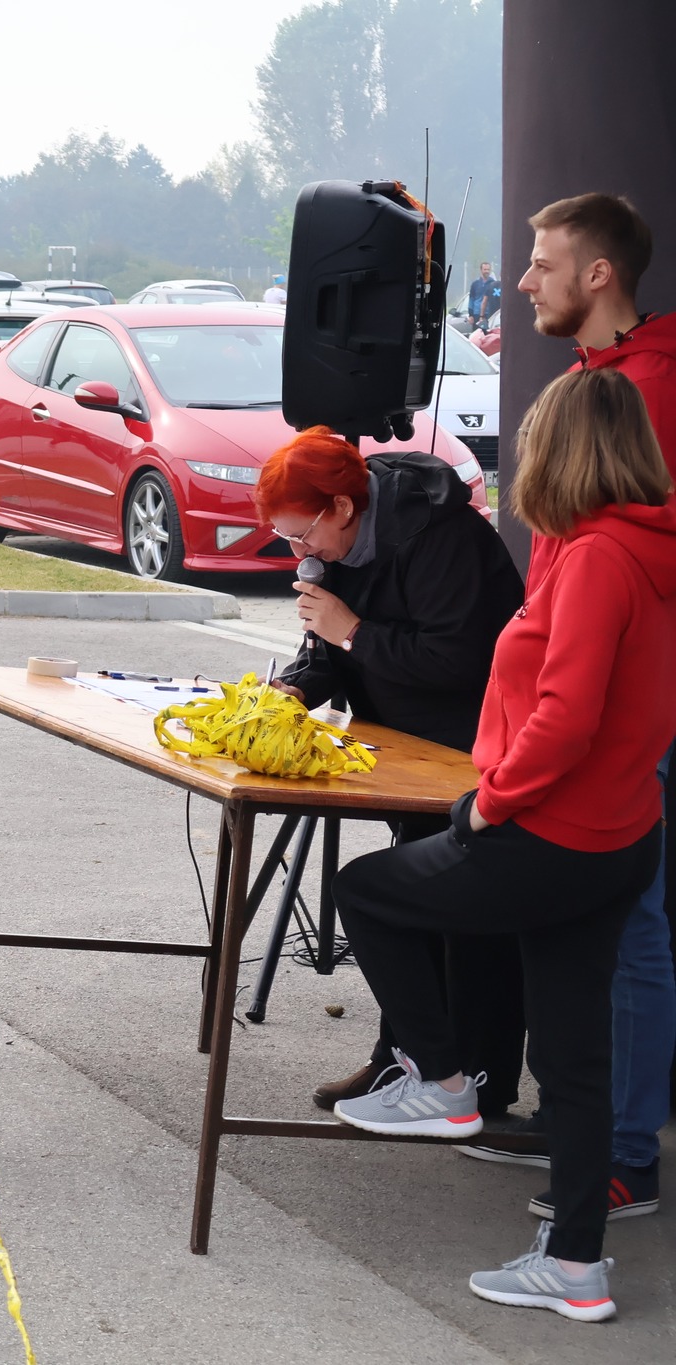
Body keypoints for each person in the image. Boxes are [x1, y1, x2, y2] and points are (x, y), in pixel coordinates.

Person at [329, 368, 676, 1322]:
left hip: (551, 833)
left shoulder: (602, 555)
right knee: (572, 1053)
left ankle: (443, 1081)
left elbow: (565, 715)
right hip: (617, 835)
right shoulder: (634, 548)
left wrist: (490, 804)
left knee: (368, 892)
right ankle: (576, 1267)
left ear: (564, 449)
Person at [258, 429, 527, 1121]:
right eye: (287, 541)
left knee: (469, 921)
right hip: (405, 750)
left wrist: (352, 632)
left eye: (303, 536)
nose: (301, 554)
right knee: (408, 904)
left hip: (474, 751)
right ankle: (401, 1055)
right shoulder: (337, 547)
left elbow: (459, 660)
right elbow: (329, 650)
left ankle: (479, 1077)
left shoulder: (439, 537)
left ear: (343, 507)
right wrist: (293, 687)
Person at [514, 191, 673, 1216]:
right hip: (576, 695)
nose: (524, 279)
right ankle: (582, 1125)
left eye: (541, 261)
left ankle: (621, 1151)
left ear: (597, 274)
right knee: (596, 921)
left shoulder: (647, 386)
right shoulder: (594, 375)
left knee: (631, 925)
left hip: (617, 710)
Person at [468, 261, 502, 330]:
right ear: (481, 270)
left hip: (489, 313)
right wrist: (471, 315)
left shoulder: (493, 283)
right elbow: (471, 299)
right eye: (485, 269)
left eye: (488, 270)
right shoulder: (475, 284)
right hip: (477, 314)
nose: (487, 271)